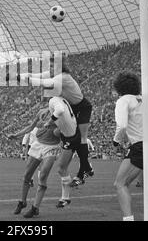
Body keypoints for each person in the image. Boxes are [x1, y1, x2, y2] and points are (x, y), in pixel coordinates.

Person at [21, 56, 93, 188]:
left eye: (53, 66)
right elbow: (35, 75)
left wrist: (24, 79)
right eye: (50, 66)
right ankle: (85, 169)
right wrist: (18, 75)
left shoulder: (63, 77)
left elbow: (44, 83)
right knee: (72, 137)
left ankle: (85, 170)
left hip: (82, 107)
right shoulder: (54, 74)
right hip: (72, 107)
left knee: (82, 138)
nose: (51, 69)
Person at [8, 95, 76, 218]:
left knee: (43, 175)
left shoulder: (62, 115)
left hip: (52, 147)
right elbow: (31, 127)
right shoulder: (41, 112)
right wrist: (16, 135)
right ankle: (22, 202)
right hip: (38, 144)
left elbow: (66, 132)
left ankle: (35, 208)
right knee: (27, 175)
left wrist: (58, 132)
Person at [112, 72, 148, 221]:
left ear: (119, 87)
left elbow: (121, 125)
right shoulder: (144, 99)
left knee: (120, 184)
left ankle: (128, 219)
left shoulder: (123, 100)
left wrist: (116, 141)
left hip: (141, 146)